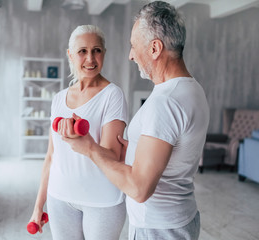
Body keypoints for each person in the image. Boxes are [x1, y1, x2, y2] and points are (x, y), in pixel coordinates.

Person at [62, 1, 210, 240]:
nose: (131, 55)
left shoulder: (166, 102)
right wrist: (136, 150)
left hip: (157, 229)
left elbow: (139, 189)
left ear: (154, 48)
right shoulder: (192, 89)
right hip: (182, 219)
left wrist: (89, 148)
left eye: (133, 46)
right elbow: (175, 151)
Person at [28, 25, 128, 240]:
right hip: (60, 198)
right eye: (82, 51)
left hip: (102, 200)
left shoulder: (113, 95)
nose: (90, 59)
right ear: (70, 55)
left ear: (104, 53)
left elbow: (114, 155)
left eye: (97, 50)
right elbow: (50, 157)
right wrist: (38, 206)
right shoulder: (58, 99)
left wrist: (87, 142)